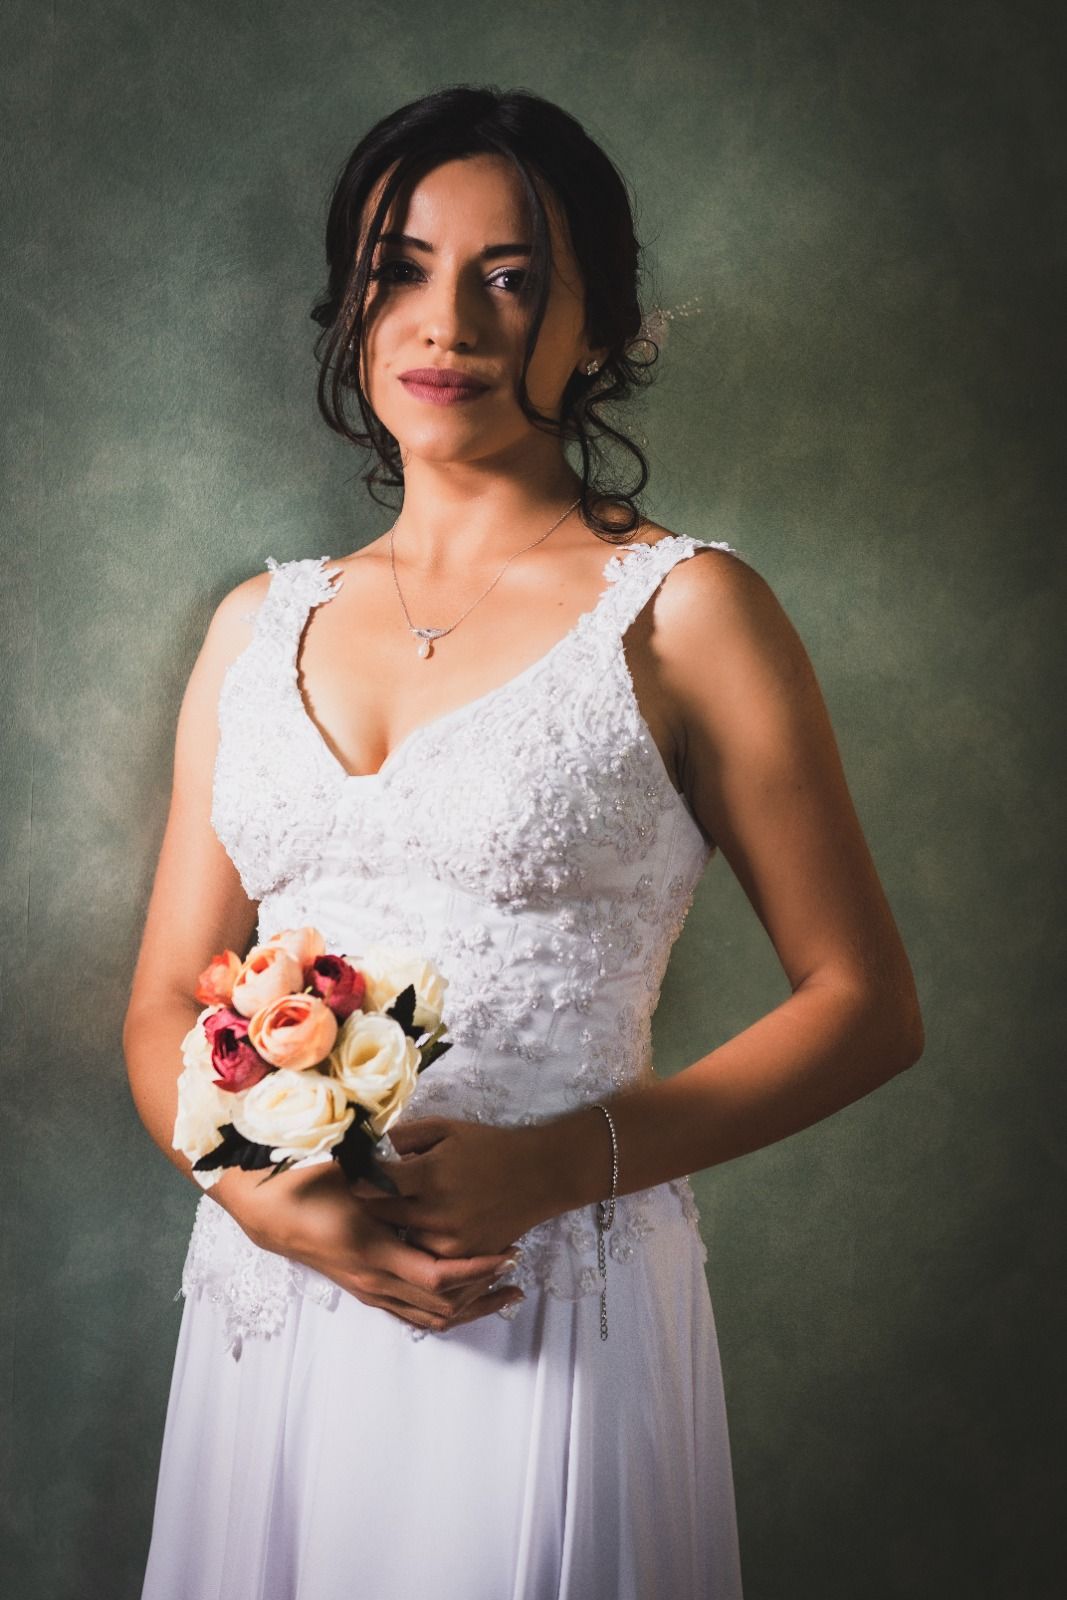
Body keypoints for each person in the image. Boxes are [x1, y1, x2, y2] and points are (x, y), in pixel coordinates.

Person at [125, 84, 924, 1600]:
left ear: (600, 323)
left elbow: (865, 1004)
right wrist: (262, 1199)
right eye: (402, 268)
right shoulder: (255, 624)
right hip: (272, 1306)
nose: (450, 323)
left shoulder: (689, 612)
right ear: (353, 309)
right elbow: (167, 997)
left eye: (512, 276)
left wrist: (563, 1164)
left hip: (547, 1304)